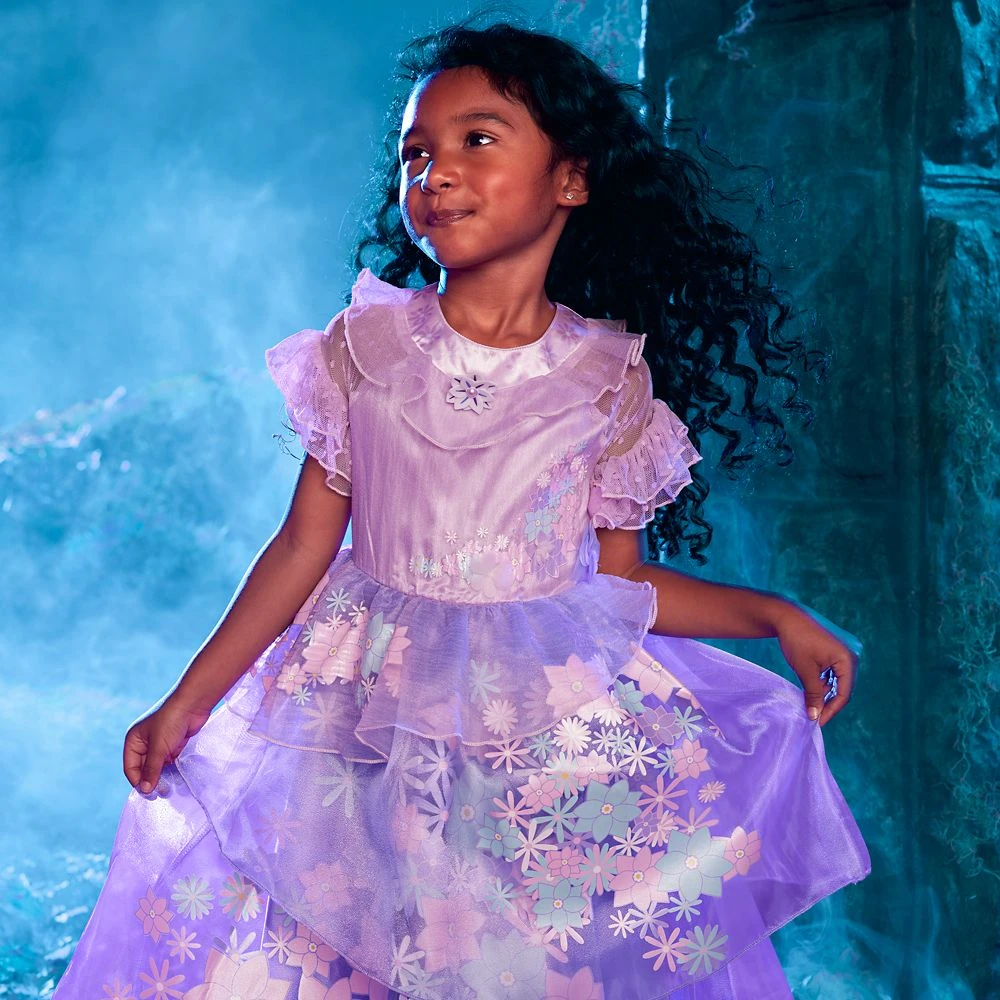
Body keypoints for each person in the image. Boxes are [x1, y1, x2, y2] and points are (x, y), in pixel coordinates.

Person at [52, 16, 871, 1000]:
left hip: (535, 733)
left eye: (476, 139)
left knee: (517, 964)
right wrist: (186, 704)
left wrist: (773, 615)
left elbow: (619, 587)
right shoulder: (362, 348)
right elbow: (303, 544)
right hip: (359, 714)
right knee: (332, 949)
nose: (435, 173)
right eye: (415, 154)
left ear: (572, 179)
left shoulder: (609, 381)